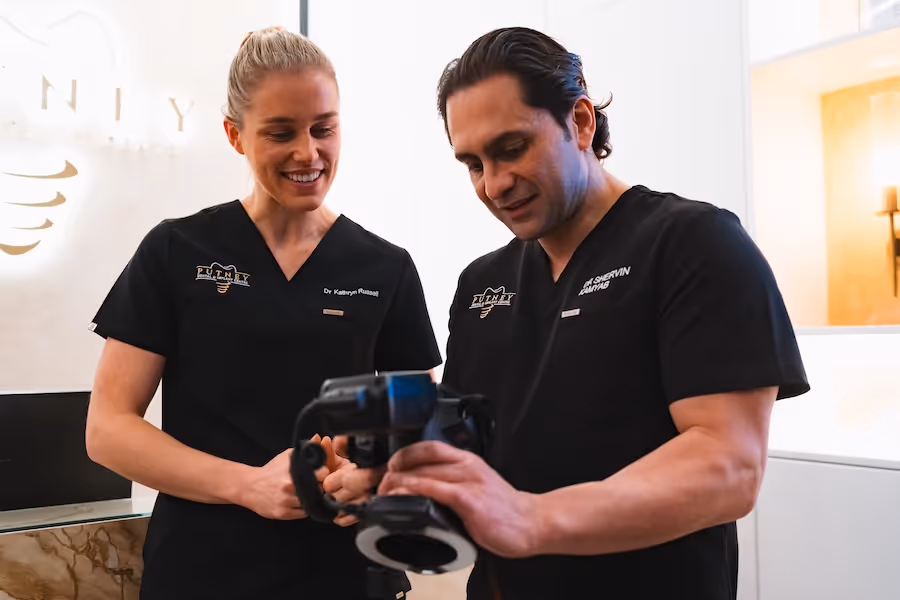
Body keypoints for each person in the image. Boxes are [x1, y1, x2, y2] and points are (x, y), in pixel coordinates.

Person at [328, 27, 810, 599]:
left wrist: (532, 519)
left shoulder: (692, 244)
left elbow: (728, 466)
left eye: (512, 149)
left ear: (580, 122)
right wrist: (386, 479)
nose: (495, 184)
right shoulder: (482, 283)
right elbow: (466, 452)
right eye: (473, 164)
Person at [85, 27, 441, 600]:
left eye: (324, 128)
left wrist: (371, 472)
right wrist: (247, 485)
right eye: (281, 133)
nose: (309, 153)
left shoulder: (385, 268)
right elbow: (107, 430)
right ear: (235, 135)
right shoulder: (177, 251)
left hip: (344, 576)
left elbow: (420, 428)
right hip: (202, 573)